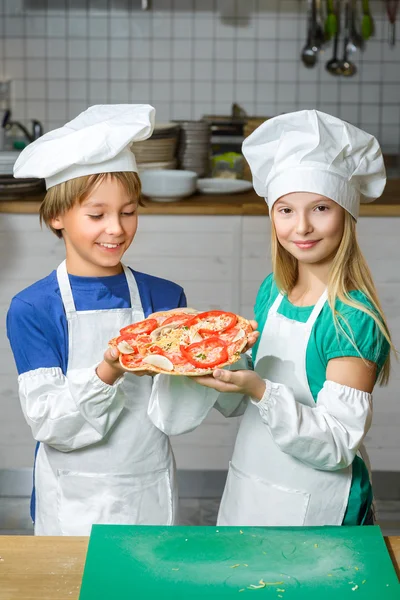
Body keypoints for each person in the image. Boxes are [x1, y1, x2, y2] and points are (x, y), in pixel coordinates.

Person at [148, 110, 393, 527]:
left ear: (347, 217)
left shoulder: (353, 318)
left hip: (322, 504)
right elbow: (244, 390)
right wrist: (205, 359)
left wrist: (260, 390)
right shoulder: (273, 291)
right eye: (285, 210)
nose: (301, 227)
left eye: (320, 208)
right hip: (253, 485)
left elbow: (336, 444)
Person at [7, 104, 190, 536]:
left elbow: (175, 412)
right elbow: (52, 424)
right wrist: (110, 368)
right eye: (96, 214)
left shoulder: (165, 297)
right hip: (72, 502)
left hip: (148, 490)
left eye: (128, 212)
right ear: (57, 217)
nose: (116, 228)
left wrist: (214, 370)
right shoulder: (33, 309)